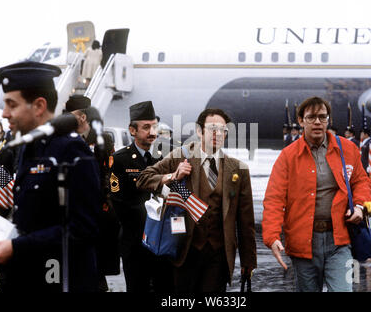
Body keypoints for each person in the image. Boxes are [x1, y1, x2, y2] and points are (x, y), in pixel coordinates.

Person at [0, 61, 101, 292]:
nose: (4, 113)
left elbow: (83, 228)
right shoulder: (29, 147)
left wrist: (16, 247)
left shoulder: (71, 150)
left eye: (11, 104)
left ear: (38, 106)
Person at [137, 108, 257, 292]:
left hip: (218, 254)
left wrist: (248, 261)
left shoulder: (238, 170)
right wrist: (171, 176)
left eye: (222, 130)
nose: (217, 134)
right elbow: (144, 178)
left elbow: (245, 221)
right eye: (212, 128)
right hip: (185, 250)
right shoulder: (181, 157)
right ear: (200, 131)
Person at [262, 96, 371, 292]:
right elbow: (274, 199)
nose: (318, 122)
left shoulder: (347, 149)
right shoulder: (287, 156)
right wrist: (272, 236)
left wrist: (361, 207)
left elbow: (361, 181)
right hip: (303, 244)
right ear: (301, 120)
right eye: (311, 117)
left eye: (322, 116)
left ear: (328, 119)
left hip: (340, 241)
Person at [109, 101, 172, 292]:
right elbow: (118, 200)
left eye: (154, 126)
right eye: (146, 127)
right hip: (135, 239)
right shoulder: (121, 159)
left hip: (162, 239)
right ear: (132, 130)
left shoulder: (165, 157)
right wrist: (151, 214)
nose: (152, 132)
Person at [64, 94, 121, 291]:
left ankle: (99, 281)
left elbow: (110, 172)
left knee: (97, 254)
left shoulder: (102, 138)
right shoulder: (63, 138)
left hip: (96, 205)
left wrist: (107, 199)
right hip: (71, 206)